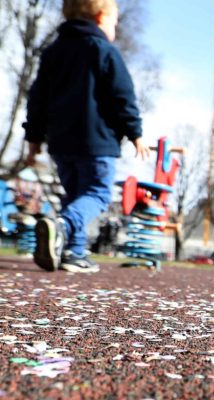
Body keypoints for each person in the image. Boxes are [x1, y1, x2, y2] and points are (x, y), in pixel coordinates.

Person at [23, 0, 149, 273]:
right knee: (98, 193)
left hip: (61, 141)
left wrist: (34, 141)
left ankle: (74, 252)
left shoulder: (53, 53)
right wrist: (135, 133)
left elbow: (37, 99)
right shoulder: (103, 50)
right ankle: (62, 226)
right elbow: (122, 96)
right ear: (101, 17)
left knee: (75, 195)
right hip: (97, 141)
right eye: (114, 22)